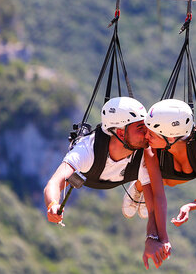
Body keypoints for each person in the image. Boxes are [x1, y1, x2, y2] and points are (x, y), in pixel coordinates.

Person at [44, 97, 170, 269]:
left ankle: (138, 188)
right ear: (119, 132)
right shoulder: (87, 149)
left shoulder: (144, 152)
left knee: (168, 174)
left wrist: (152, 238)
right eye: (141, 128)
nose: (148, 133)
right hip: (94, 176)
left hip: (126, 176)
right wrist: (52, 204)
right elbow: (54, 182)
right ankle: (138, 185)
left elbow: (154, 204)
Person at [122, 98, 196, 227]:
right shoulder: (151, 150)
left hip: (184, 173)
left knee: (168, 181)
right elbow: (158, 194)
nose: (146, 137)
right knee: (156, 181)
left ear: (170, 137)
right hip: (160, 175)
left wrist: (192, 206)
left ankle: (142, 186)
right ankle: (138, 186)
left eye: (151, 135)